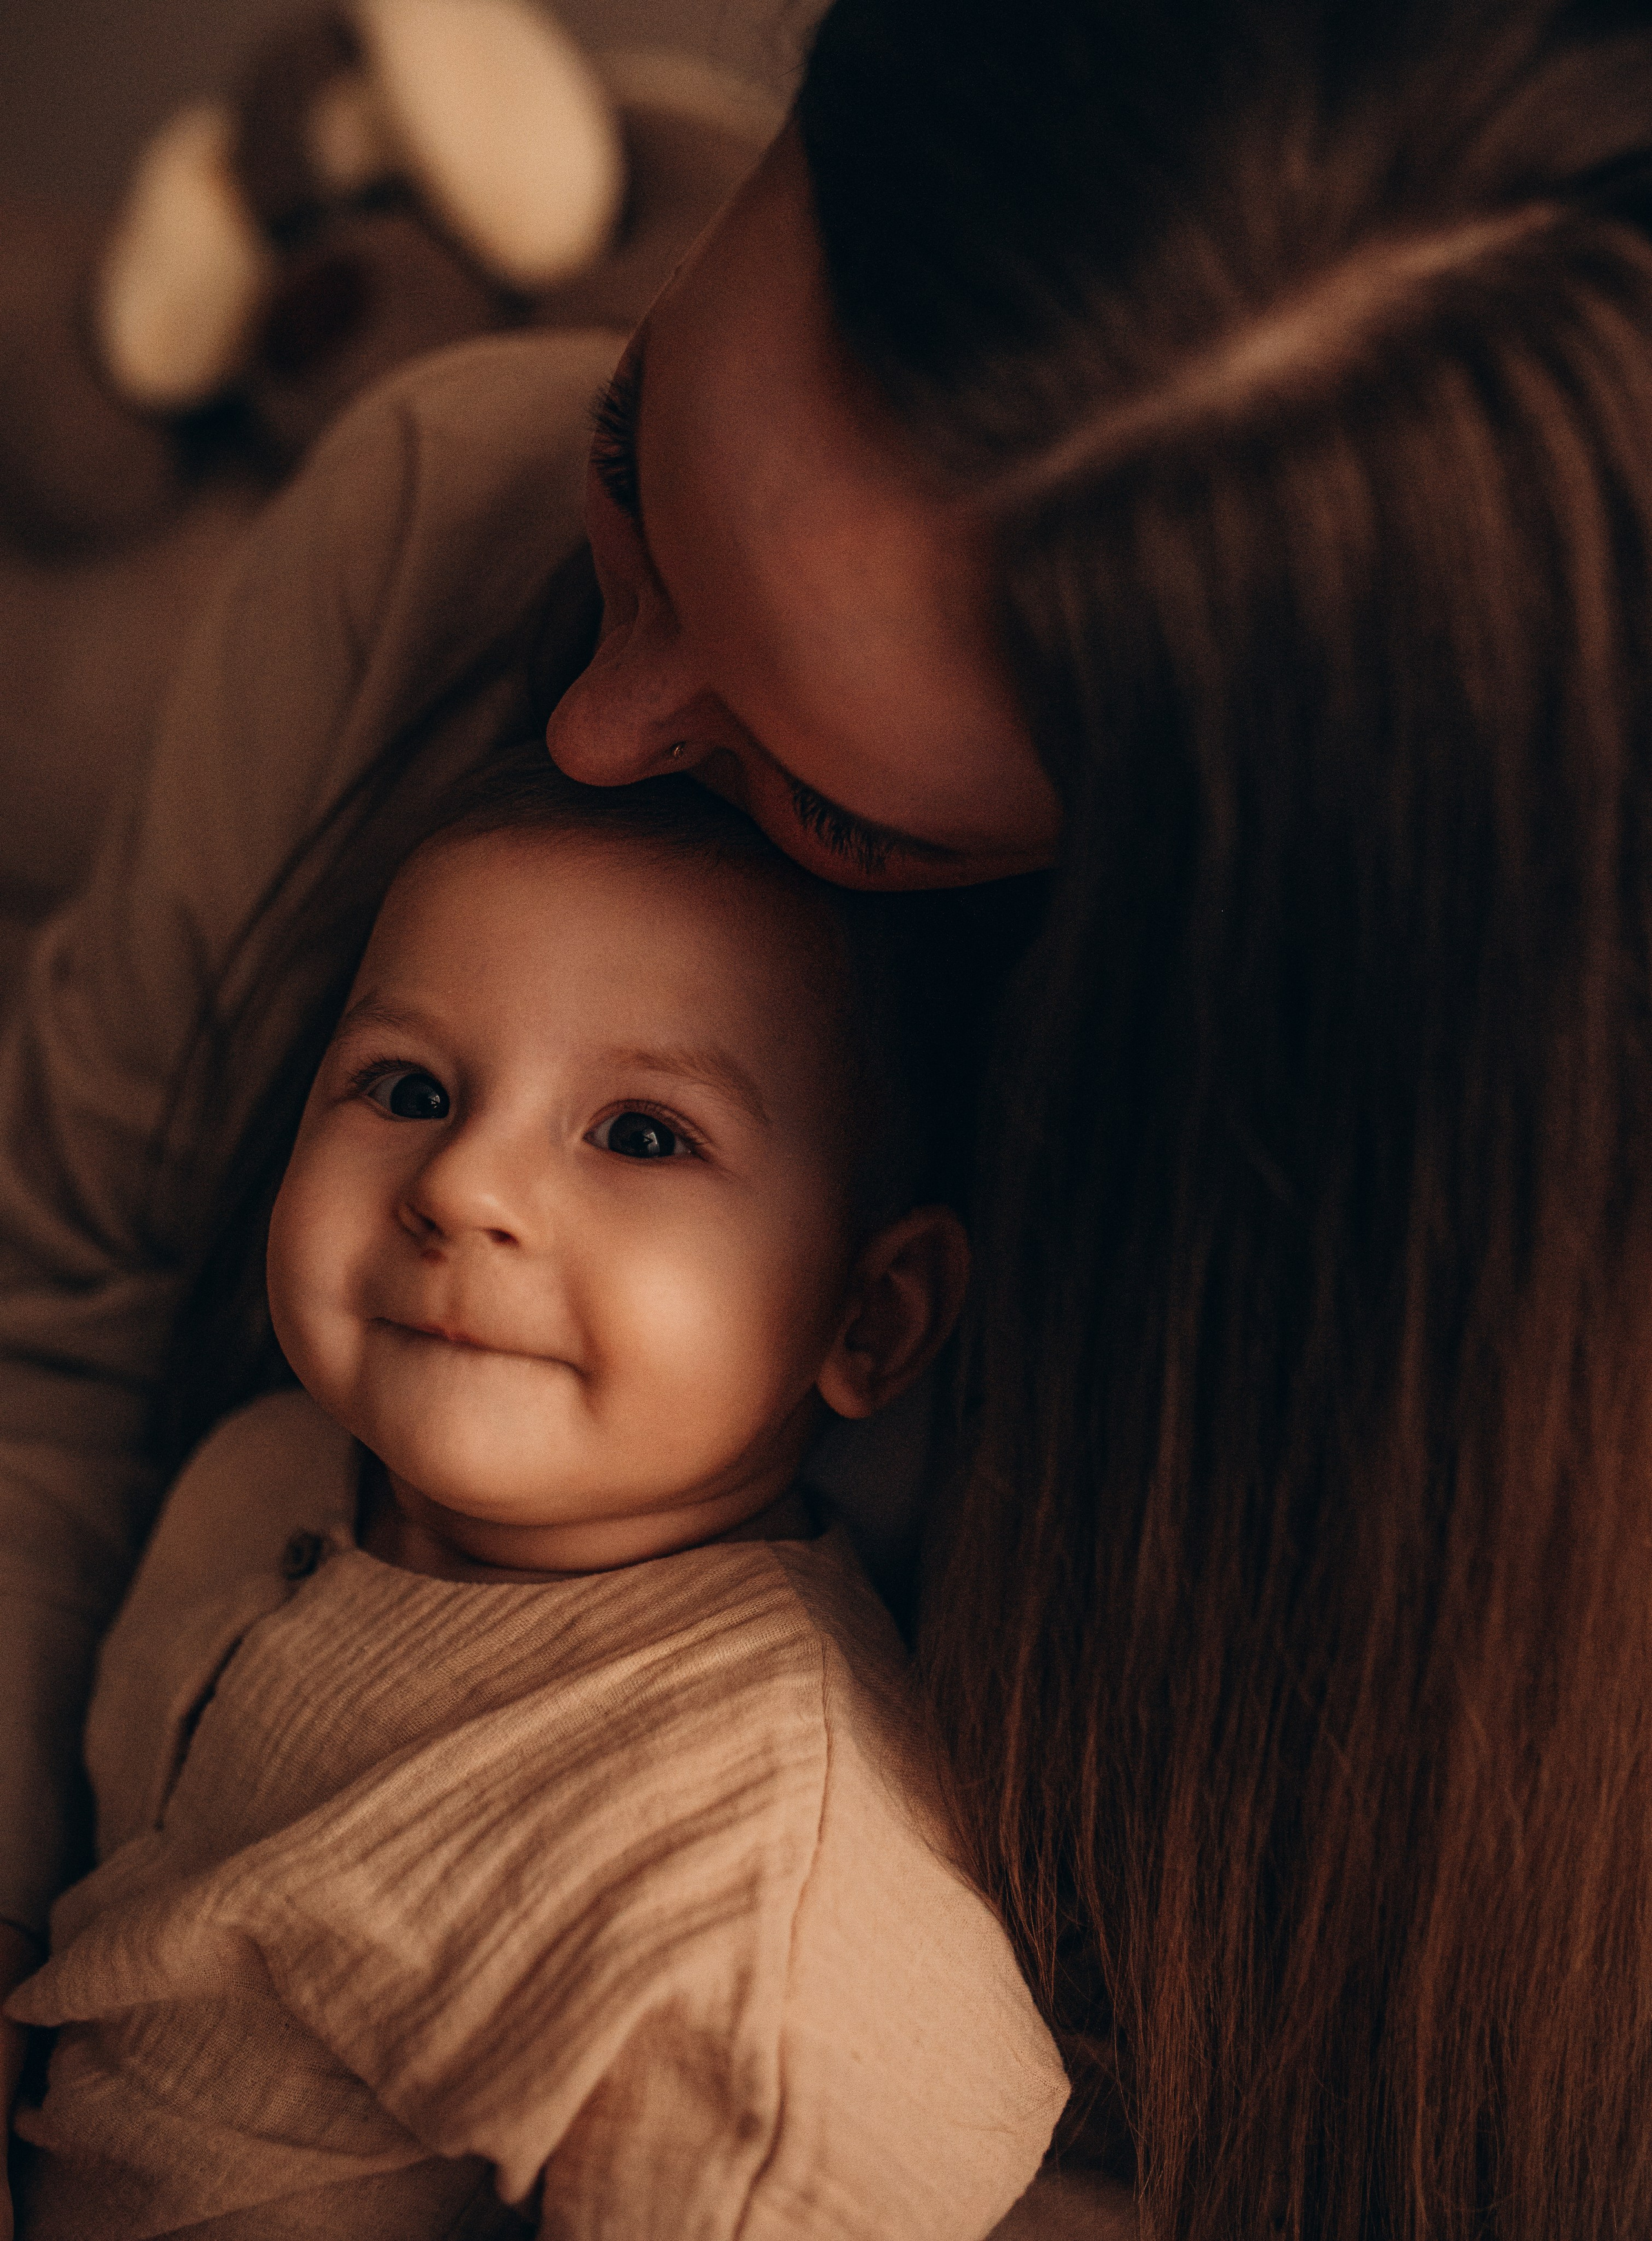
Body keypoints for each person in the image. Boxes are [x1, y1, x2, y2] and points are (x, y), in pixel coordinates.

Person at [5, 0, 1651, 2234]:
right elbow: (62, 1342)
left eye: (836, 804)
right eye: (636, 455)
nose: (583, 731)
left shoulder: (791, 1867)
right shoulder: (429, 520)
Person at [5, 765, 1065, 2237]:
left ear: (868, 1318)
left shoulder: (747, 1855)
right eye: (411, 1089)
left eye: (640, 1135)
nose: (462, 1183)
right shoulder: (261, 1472)